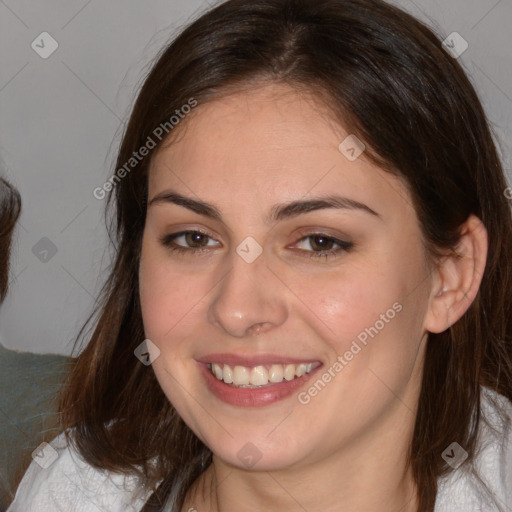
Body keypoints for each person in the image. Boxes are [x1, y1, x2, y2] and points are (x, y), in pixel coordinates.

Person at [8, 0, 512, 511]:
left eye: (319, 242)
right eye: (194, 238)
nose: (237, 309)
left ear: (451, 275)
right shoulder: (69, 494)